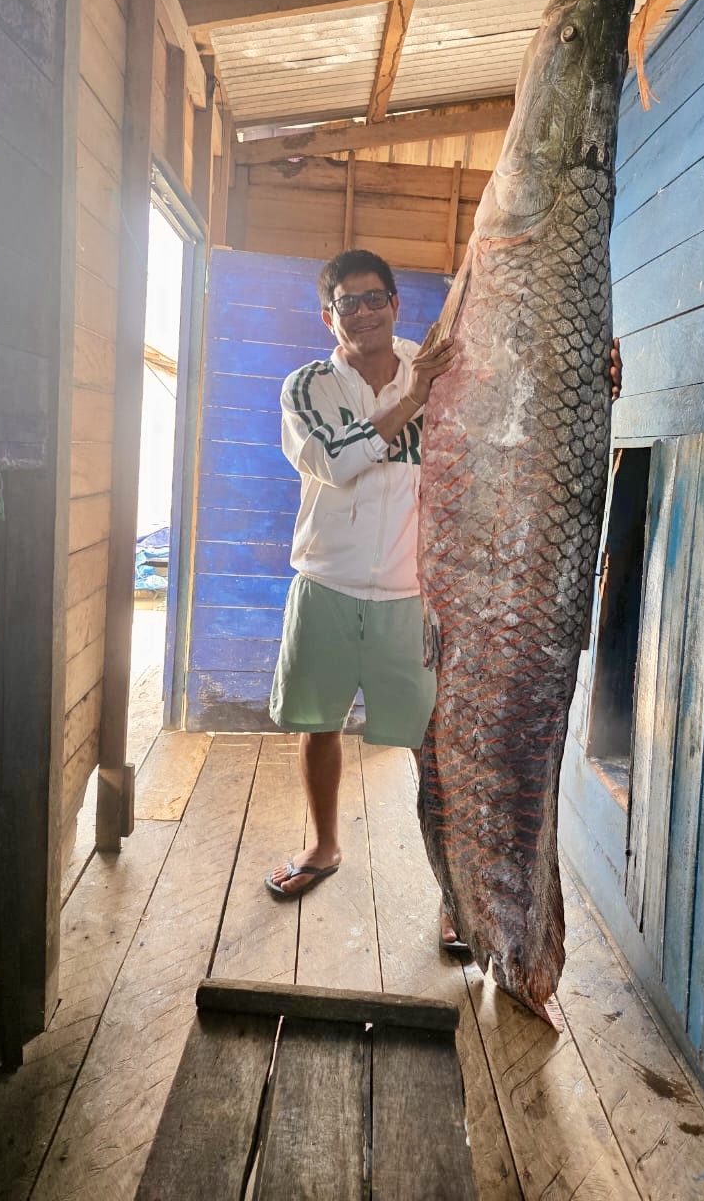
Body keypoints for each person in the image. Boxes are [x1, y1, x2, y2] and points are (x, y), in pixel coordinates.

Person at [265, 248, 466, 947]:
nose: (366, 310)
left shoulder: (439, 365)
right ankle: (323, 847)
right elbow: (336, 463)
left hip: (408, 593)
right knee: (319, 724)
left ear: (396, 305)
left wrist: (601, 374)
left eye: (376, 296)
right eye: (349, 301)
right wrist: (410, 402)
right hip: (325, 582)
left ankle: (454, 892)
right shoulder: (308, 386)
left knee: (427, 745)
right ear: (329, 316)